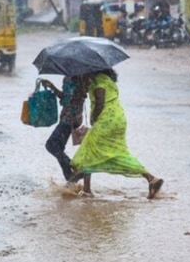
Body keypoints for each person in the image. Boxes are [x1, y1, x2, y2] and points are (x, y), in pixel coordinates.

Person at [68, 69, 164, 199]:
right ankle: (152, 179)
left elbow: (100, 101)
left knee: (88, 151)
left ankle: (87, 190)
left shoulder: (99, 80)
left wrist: (94, 117)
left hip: (107, 120)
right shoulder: (108, 80)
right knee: (118, 153)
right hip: (119, 119)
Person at [40, 76, 90, 181]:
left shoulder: (79, 78)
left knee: (50, 145)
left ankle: (74, 167)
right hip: (69, 117)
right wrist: (52, 87)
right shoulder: (69, 78)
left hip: (70, 119)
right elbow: (65, 97)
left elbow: (71, 99)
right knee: (58, 148)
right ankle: (70, 178)